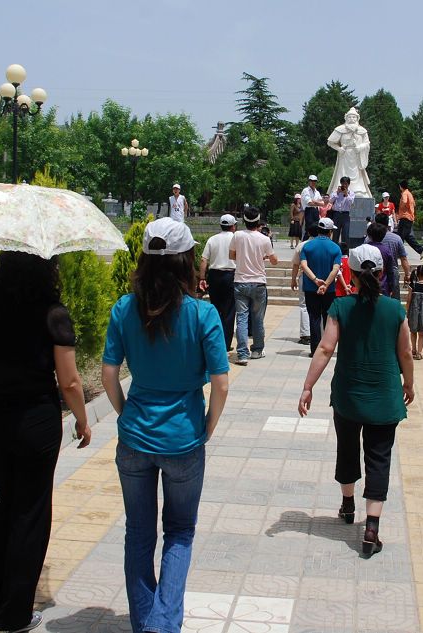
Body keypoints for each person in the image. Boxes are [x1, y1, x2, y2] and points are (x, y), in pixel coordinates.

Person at [101, 218, 229, 633]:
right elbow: (221, 384)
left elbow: (108, 374)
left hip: (134, 437)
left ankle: (147, 623)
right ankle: (162, 625)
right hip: (184, 440)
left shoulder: (124, 308)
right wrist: (207, 427)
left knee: (138, 533)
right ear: (187, 260)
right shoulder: (202, 313)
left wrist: (125, 413)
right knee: (179, 533)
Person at [0, 251, 90, 633]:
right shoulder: (53, 313)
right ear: (47, 267)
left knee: (8, 503)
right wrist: (83, 420)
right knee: (31, 512)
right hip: (35, 422)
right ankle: (14, 615)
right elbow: (69, 381)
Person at [298, 244, 414, 556]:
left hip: (348, 396)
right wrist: (409, 383)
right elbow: (405, 353)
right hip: (385, 397)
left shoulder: (341, 306)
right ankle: (371, 529)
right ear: (381, 273)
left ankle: (348, 505)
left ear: (351, 274)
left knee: (347, 450)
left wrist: (308, 386)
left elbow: (325, 348)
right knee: (379, 458)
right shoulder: (395, 309)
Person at [230, 206, 278, 365]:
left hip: (240, 281)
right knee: (258, 319)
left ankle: (242, 354)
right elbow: (274, 260)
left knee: (242, 318)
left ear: (244, 221)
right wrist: (263, 256)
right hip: (258, 282)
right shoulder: (264, 239)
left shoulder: (237, 235)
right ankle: (257, 350)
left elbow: (232, 255)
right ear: (258, 221)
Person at [299, 217, 343, 357]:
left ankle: (314, 350)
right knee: (328, 318)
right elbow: (336, 269)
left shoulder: (307, 246)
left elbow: (304, 265)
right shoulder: (335, 247)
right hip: (329, 290)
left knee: (314, 317)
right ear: (330, 232)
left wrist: (315, 280)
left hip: (310, 288)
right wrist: (326, 284)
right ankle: (327, 348)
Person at [199, 214, 237, 348]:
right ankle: (225, 343)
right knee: (229, 310)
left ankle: (215, 339)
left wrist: (202, 278)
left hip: (214, 275)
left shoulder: (212, 239)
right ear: (233, 226)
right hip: (230, 275)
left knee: (215, 308)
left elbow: (204, 259)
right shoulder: (235, 239)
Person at [326, 107, 372, 198]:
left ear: (357, 118)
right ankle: (341, 189)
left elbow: (367, 143)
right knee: (343, 173)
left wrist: (359, 147)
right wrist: (339, 149)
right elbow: (330, 142)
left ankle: (359, 190)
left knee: (357, 174)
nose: (352, 119)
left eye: (354, 117)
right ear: (346, 118)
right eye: (350, 117)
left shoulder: (362, 131)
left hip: (357, 156)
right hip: (345, 155)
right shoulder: (340, 129)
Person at [365, 213, 410, 301]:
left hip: (373, 271)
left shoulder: (369, 238)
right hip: (392, 271)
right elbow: (403, 258)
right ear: (387, 223)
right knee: (394, 299)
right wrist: (407, 274)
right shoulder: (396, 238)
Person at [290, 225, 319, 346]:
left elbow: (296, 264)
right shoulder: (325, 244)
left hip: (305, 276)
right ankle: (319, 333)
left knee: (304, 305)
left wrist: (293, 279)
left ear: (308, 232)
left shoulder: (302, 245)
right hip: (322, 278)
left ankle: (306, 334)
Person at [396, 180, 423, 256]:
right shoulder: (409, 193)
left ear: (401, 186)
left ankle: (420, 249)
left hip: (405, 217)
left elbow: (405, 201)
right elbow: (414, 204)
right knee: (402, 236)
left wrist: (403, 207)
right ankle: (399, 253)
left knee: (403, 236)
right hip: (408, 217)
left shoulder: (404, 193)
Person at [328, 176, 356, 245]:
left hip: (346, 214)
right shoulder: (336, 192)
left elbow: (351, 203)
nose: (344, 185)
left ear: (348, 184)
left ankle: (345, 250)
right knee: (335, 233)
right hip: (336, 214)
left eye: (346, 184)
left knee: (345, 233)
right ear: (340, 184)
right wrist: (337, 193)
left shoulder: (351, 193)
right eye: (343, 183)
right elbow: (330, 200)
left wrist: (346, 194)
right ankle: (334, 248)